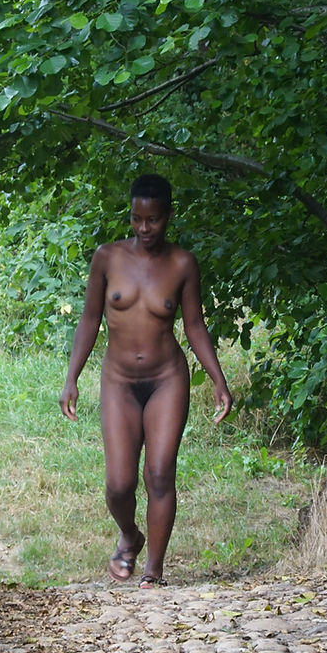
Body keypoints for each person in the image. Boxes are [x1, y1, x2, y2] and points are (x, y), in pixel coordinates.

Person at [59, 174, 233, 588]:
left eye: (153, 220)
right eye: (137, 219)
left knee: (159, 472)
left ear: (168, 217)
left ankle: (153, 569)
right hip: (118, 380)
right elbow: (89, 320)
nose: (144, 228)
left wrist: (219, 381)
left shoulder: (182, 264)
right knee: (119, 483)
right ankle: (129, 534)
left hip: (166, 379)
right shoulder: (108, 258)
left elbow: (194, 326)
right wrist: (72, 378)